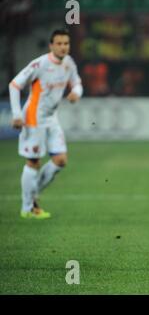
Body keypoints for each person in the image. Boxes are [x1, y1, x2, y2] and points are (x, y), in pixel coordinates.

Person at [9, 29, 83, 218]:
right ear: (51, 45)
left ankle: (33, 195)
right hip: (33, 117)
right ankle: (27, 208)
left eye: (66, 43)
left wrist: (76, 93)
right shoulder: (40, 64)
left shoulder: (68, 63)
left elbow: (77, 83)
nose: (63, 47)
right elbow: (15, 85)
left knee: (60, 160)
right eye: (59, 43)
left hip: (51, 118)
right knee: (33, 162)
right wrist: (17, 114)